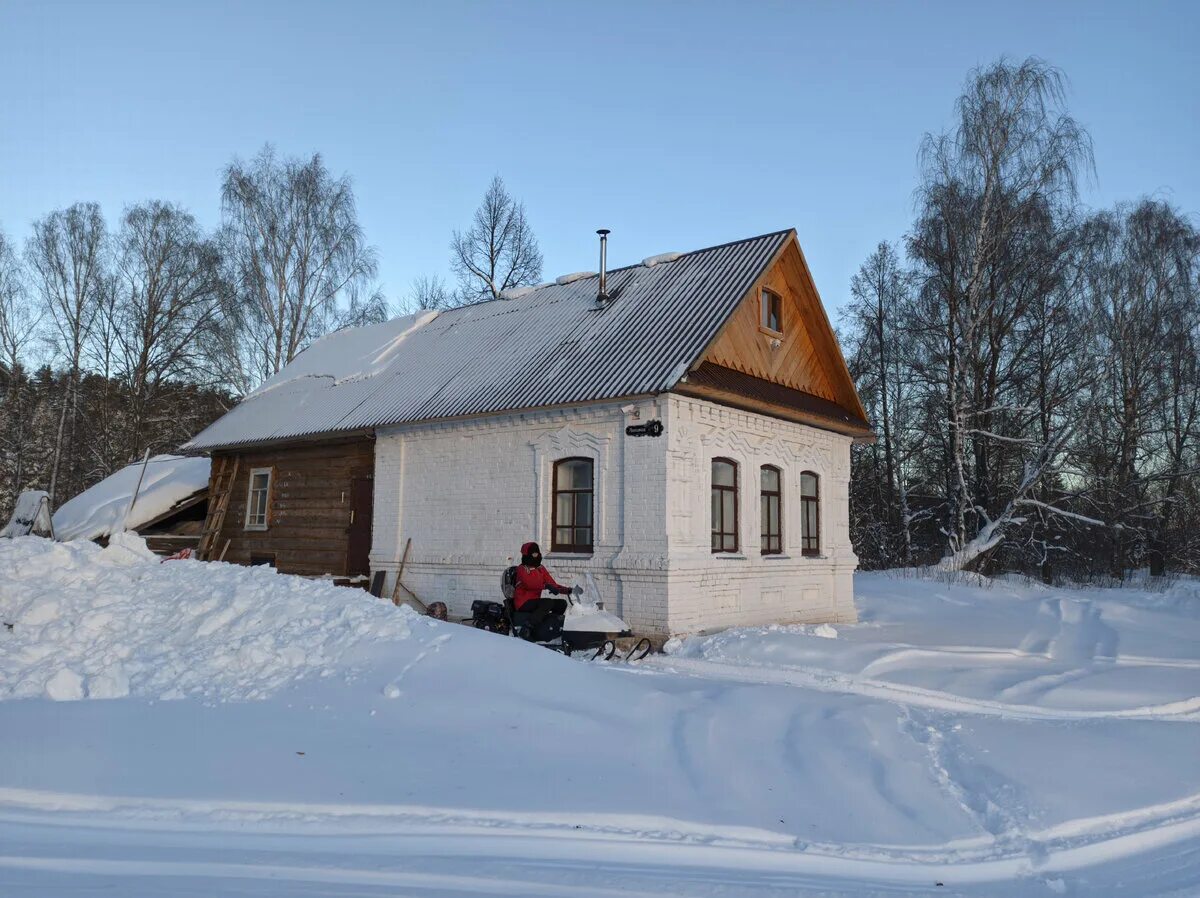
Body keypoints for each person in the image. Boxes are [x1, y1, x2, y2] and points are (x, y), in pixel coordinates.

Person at [513, 541, 573, 639]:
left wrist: (566, 590)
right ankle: (527, 627)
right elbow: (529, 584)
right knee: (547, 602)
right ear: (527, 554)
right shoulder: (522, 569)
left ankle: (552, 626)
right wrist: (546, 586)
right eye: (533, 554)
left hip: (534, 601)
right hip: (523, 602)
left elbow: (551, 583)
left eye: (537, 553)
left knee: (561, 603)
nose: (536, 556)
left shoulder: (540, 568)